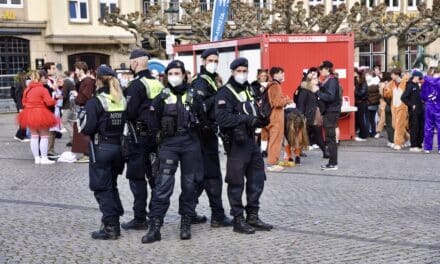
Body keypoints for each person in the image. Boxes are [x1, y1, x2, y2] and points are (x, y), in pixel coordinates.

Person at [142, 60, 204, 243]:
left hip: (190, 143)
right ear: (166, 76)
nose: (174, 77)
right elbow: (152, 122)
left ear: (184, 75)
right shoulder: (161, 97)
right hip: (169, 145)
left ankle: (186, 221)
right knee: (163, 185)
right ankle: (155, 226)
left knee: (190, 185)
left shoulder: (194, 96)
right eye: (171, 73)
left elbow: (203, 119)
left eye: (177, 73)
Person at [215, 57, 273, 234]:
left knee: (257, 179)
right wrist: (247, 119)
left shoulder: (249, 89)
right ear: (232, 72)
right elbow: (223, 118)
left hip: (251, 141)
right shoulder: (225, 92)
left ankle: (252, 216)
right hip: (236, 143)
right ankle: (238, 219)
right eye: (239, 71)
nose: (242, 74)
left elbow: (254, 110)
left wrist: (261, 118)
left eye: (244, 71)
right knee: (236, 182)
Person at [78, 65, 126, 240]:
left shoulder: (96, 102)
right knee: (111, 184)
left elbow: (87, 128)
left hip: (102, 149)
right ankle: (115, 216)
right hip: (119, 149)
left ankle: (111, 226)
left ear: (98, 81)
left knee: (101, 187)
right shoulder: (121, 99)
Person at [121, 49, 164, 231]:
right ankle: (155, 215)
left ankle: (140, 218)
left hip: (138, 138)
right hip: (156, 138)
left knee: (137, 178)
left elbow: (129, 112)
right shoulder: (157, 83)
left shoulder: (136, 85)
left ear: (135, 63)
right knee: (155, 177)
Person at [192, 48, 231, 227]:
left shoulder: (211, 80)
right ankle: (217, 215)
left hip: (208, 133)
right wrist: (218, 97)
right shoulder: (201, 82)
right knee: (210, 176)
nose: (214, 63)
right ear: (203, 61)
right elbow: (201, 107)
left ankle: (190, 211)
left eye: (216, 60)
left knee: (203, 176)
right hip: (203, 133)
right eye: (211, 60)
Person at [17, 70, 57, 165]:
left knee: (34, 136)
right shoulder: (43, 89)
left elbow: (23, 102)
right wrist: (55, 99)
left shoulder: (27, 89)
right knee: (44, 136)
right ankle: (44, 158)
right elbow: (49, 102)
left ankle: (36, 158)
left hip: (29, 113)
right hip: (41, 112)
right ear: (40, 79)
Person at [315, 60, 341, 170]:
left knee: (330, 138)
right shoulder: (328, 80)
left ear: (327, 69)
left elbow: (330, 96)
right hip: (329, 111)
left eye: (321, 69)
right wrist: (320, 86)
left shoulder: (331, 81)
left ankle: (333, 163)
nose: (320, 71)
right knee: (330, 138)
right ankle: (332, 162)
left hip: (331, 112)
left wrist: (317, 92)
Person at [266, 67, 293, 172]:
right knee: (275, 140)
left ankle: (273, 162)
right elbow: (277, 103)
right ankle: (272, 163)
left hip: (274, 116)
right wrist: (286, 100)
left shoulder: (271, 85)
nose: (283, 75)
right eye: (281, 73)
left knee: (275, 140)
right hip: (276, 117)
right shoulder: (276, 86)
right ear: (275, 74)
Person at [296, 73, 327, 158]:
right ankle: (297, 153)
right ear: (309, 81)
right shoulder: (304, 90)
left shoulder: (317, 90)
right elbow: (300, 104)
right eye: (314, 78)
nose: (316, 79)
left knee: (317, 134)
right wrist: (301, 116)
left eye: (316, 78)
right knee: (303, 134)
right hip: (307, 116)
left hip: (316, 115)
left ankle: (325, 152)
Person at [72, 61, 96, 162]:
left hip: (85, 108)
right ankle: (85, 153)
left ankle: (87, 154)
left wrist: (76, 96)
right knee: (80, 130)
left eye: (77, 69)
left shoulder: (88, 81)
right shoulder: (84, 81)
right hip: (83, 108)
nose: (75, 71)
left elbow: (85, 97)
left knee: (84, 130)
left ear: (81, 70)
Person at [384, 68, 409, 150]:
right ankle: (407, 138)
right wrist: (385, 89)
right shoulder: (391, 84)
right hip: (394, 106)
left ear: (396, 74)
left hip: (402, 106)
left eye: (392, 74)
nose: (391, 76)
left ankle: (398, 143)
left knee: (399, 125)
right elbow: (388, 95)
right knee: (395, 125)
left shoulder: (405, 82)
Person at [401, 70, 424, 152]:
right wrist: (411, 105)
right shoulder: (410, 86)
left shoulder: (417, 85)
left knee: (420, 127)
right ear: (415, 77)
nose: (420, 79)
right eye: (419, 77)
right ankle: (413, 145)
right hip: (413, 111)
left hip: (420, 110)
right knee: (414, 128)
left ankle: (419, 144)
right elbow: (403, 97)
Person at [420, 68, 440, 153]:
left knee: (428, 127)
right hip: (438, 106)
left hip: (429, 106)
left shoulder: (426, 81)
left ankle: (427, 148)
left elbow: (423, 96)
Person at [251, 69, 269, 155]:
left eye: (265, 76)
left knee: (265, 129)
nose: (264, 77)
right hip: (257, 108)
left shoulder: (269, 85)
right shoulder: (254, 85)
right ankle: (254, 147)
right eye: (262, 76)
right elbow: (251, 96)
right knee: (257, 129)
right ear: (258, 76)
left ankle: (264, 149)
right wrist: (257, 100)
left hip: (266, 109)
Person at [13, 70, 30, 142]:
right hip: (21, 106)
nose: (26, 77)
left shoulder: (22, 84)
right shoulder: (19, 84)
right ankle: (20, 136)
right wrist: (20, 107)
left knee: (24, 121)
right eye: (25, 76)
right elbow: (18, 97)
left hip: (23, 105)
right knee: (23, 121)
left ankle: (20, 135)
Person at [61, 71, 76, 147]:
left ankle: (74, 137)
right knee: (71, 122)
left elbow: (64, 95)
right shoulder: (70, 82)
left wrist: (58, 99)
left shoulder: (66, 82)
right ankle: (72, 140)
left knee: (64, 121)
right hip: (72, 104)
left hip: (68, 105)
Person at [354, 69, 369, 141]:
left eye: (357, 77)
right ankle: (362, 134)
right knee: (360, 119)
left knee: (362, 119)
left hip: (362, 103)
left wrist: (355, 91)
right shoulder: (360, 83)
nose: (356, 78)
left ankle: (363, 135)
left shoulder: (363, 83)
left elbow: (362, 93)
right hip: (360, 102)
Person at [365, 70, 381, 138]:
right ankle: (373, 132)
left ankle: (367, 132)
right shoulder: (377, 83)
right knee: (373, 119)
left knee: (367, 119)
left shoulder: (368, 84)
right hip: (375, 103)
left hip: (368, 103)